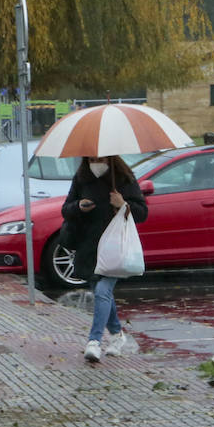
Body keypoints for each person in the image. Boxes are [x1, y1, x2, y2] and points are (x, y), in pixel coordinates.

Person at [60, 154, 148, 363]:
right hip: (89, 249)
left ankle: (94, 341)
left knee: (102, 291)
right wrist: (79, 206)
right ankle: (117, 336)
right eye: (90, 159)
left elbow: (142, 212)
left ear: (109, 158)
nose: (95, 163)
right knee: (103, 296)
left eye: (99, 158)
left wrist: (122, 204)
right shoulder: (81, 178)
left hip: (115, 248)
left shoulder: (123, 178)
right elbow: (66, 209)